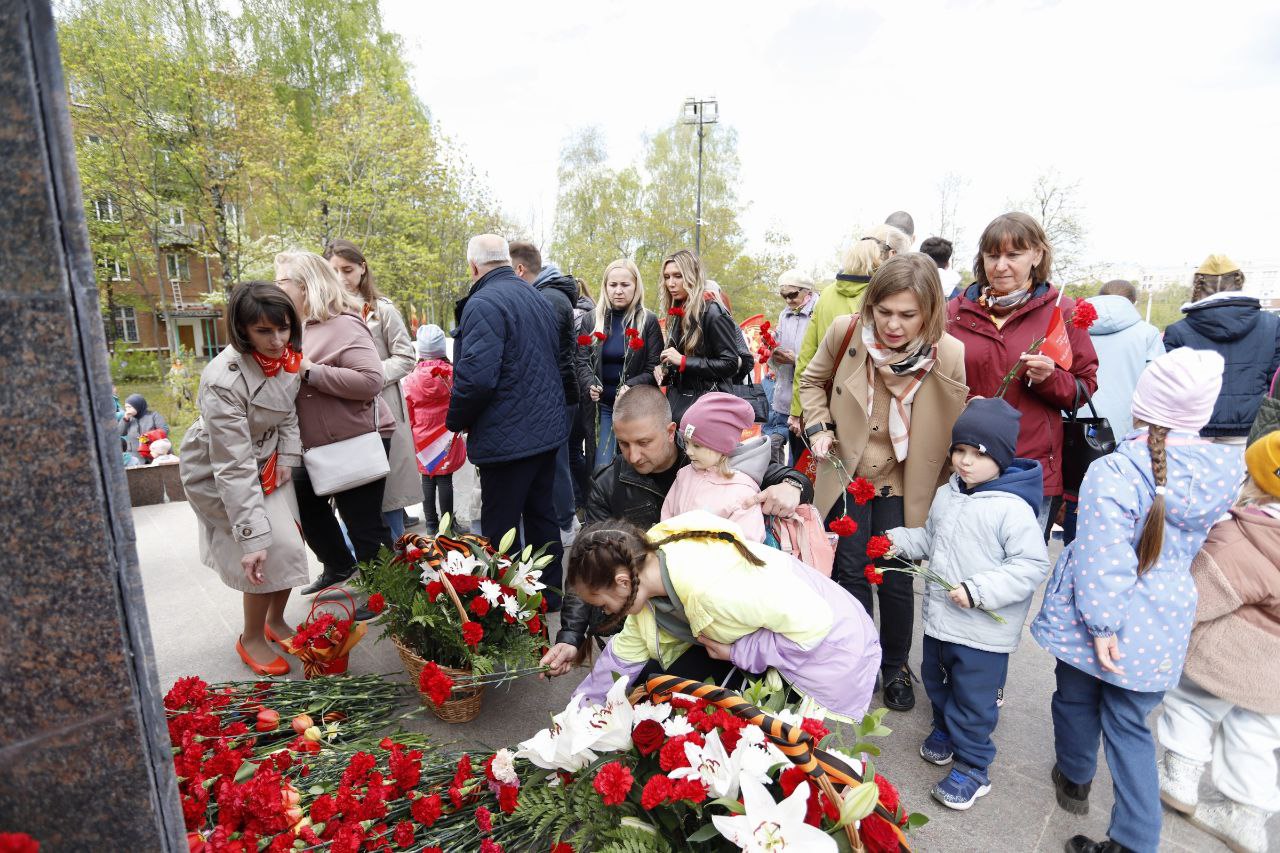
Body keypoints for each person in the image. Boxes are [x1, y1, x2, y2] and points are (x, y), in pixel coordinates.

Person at [1030, 347, 1244, 853]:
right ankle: (1135, 838)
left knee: (1075, 695)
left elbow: (1105, 558)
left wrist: (1103, 626)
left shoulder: (1118, 471)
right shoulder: (1222, 470)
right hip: (1164, 616)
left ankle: (1075, 778)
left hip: (1101, 617)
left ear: (1141, 406)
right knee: (1130, 728)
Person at [544, 384, 814, 673]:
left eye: (644, 442)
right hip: (642, 621)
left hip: (713, 619)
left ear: (672, 431)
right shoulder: (608, 485)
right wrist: (571, 635)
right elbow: (588, 561)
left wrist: (793, 485)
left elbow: (772, 473)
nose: (633, 456)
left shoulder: (705, 453)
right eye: (624, 444)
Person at [798, 253, 968, 712]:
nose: (893, 325)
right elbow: (811, 383)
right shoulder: (846, 332)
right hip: (847, 474)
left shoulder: (949, 354)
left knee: (894, 578)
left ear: (929, 311)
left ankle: (895, 666)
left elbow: (954, 425)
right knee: (849, 571)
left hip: (902, 481)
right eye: (884, 311)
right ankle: (860, 656)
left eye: (907, 315)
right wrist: (818, 427)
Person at [886, 398, 1051, 810]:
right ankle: (944, 727)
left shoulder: (1012, 509)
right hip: (942, 620)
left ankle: (975, 767)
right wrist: (898, 542)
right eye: (959, 450)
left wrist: (978, 591)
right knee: (939, 681)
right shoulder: (950, 494)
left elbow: (1031, 565)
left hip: (982, 631)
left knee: (974, 700)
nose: (965, 461)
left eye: (979, 454)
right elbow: (932, 540)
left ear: (1002, 457)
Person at [568, 512, 882, 721]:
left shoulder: (713, 590)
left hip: (834, 654)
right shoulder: (648, 581)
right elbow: (620, 659)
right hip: (790, 637)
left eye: (599, 602)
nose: (602, 611)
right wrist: (577, 715)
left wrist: (738, 651)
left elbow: (813, 626)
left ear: (623, 582)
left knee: (805, 762)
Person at [1155, 432, 1280, 853]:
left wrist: (1165, 624)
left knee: (1191, 703)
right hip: (1276, 676)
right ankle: (1246, 816)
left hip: (1231, 655)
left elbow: (1202, 592)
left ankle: (1179, 778)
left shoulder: (1248, 534)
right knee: (1257, 733)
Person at [179, 282, 308, 675]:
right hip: (224, 469)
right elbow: (232, 464)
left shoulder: (286, 357)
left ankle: (275, 621)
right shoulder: (223, 380)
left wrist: (287, 455)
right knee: (264, 552)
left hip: (270, 460)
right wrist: (250, 536)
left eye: (283, 328)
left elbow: (286, 410)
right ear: (242, 329)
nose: (277, 340)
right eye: (264, 331)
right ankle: (250, 636)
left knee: (291, 546)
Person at [946, 212, 1099, 539]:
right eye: (992, 255)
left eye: (1013, 255)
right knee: (956, 567)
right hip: (966, 465)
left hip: (1028, 471)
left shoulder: (1062, 313)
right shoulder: (956, 313)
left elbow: (1084, 387)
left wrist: (1049, 379)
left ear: (1037, 255)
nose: (1000, 266)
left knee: (1013, 576)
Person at [448, 234, 567, 609]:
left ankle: (505, 602)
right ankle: (550, 594)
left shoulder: (483, 302)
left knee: (501, 526)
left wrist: (456, 419)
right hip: (544, 430)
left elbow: (477, 377)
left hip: (507, 436)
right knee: (541, 515)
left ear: (473, 266)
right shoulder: (535, 294)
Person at [274, 250, 395, 597]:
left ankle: (386, 594)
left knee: (363, 522)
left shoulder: (342, 323)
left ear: (304, 286)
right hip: (317, 444)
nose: (276, 288)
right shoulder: (294, 328)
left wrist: (311, 371)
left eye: (281, 281)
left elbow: (371, 381)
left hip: (354, 438)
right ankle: (340, 564)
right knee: (303, 502)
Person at [325, 239, 419, 542]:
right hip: (345, 418)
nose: (341, 278)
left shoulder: (383, 310)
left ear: (362, 269)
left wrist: (368, 377)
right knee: (354, 498)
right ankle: (359, 568)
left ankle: (394, 570)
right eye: (334, 270)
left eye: (348, 269)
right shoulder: (325, 314)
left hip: (383, 413)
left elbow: (406, 357)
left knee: (387, 497)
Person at [1059, 280, 1164, 545]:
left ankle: (1072, 546)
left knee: (1075, 490)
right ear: (1134, 302)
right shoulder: (1147, 333)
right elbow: (1156, 385)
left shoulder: (1072, 325)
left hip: (1074, 420)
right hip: (1124, 430)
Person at [788, 223, 911, 431]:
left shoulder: (826, 294)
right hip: (868, 411)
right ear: (892, 255)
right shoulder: (885, 298)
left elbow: (807, 357)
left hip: (822, 405)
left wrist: (798, 410)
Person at [1163, 254, 1280, 446]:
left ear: (1199, 284)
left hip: (1195, 429)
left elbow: (1173, 385)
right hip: (1253, 428)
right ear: (1238, 281)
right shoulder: (1272, 325)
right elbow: (1276, 381)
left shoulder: (1178, 330)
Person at [511, 241, 582, 547]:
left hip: (559, 392)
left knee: (557, 460)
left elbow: (546, 353)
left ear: (520, 269)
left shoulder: (549, 298)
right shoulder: (549, 293)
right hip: (559, 390)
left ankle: (565, 524)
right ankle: (567, 519)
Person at [577, 259, 662, 468]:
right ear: (605, 286)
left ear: (636, 286)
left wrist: (630, 386)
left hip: (637, 408)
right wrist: (590, 383)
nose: (618, 291)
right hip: (604, 406)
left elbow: (655, 367)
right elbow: (580, 360)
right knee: (603, 466)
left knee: (634, 465)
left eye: (625, 285)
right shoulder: (591, 320)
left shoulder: (648, 321)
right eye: (613, 285)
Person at [660, 392, 765, 542]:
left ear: (722, 445)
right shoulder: (683, 475)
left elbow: (747, 543)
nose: (688, 451)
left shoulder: (742, 491)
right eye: (686, 443)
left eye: (697, 445)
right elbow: (667, 518)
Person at [655, 249, 743, 423]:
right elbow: (683, 364)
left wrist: (683, 361)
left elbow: (731, 363)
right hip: (680, 404)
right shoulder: (677, 312)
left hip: (708, 408)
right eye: (667, 277)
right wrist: (665, 371)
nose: (671, 283)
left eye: (677, 276)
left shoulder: (713, 312)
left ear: (692, 276)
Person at [402, 324, 467, 536]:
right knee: (445, 479)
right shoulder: (452, 374)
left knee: (427, 479)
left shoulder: (412, 378)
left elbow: (408, 408)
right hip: (446, 434)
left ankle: (430, 524)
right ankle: (447, 526)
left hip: (422, 435)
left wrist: (412, 431)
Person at [765, 269, 816, 465]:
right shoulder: (784, 314)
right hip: (786, 391)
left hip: (809, 394)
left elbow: (823, 354)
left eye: (792, 295)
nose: (788, 300)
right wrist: (771, 349)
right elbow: (778, 344)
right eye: (783, 295)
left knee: (806, 454)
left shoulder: (817, 312)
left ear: (807, 291)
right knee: (792, 451)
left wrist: (796, 359)